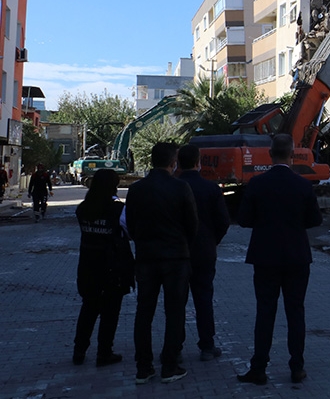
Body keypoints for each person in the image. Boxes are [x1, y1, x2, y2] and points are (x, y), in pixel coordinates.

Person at [237, 134, 322, 386]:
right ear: (292, 154)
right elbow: (315, 220)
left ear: (270, 153)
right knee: (295, 312)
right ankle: (297, 367)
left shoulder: (257, 184)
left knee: (265, 312)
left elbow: (244, 220)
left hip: (265, 257)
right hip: (297, 256)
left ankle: (259, 368)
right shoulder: (303, 185)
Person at [126, 142, 198, 385]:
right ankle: (169, 365)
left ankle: (143, 367)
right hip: (176, 258)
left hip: (146, 258)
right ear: (173, 162)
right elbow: (192, 224)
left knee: (144, 312)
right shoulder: (181, 187)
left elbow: (130, 224)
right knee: (175, 312)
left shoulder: (136, 189)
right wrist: (183, 245)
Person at [73, 169, 134, 367]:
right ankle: (104, 352)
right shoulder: (117, 209)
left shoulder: (83, 208)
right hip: (112, 267)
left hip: (88, 265)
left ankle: (79, 350)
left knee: (88, 308)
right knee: (110, 312)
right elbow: (130, 232)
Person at [176, 144, 230, 362]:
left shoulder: (173, 187)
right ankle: (207, 345)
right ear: (198, 162)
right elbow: (223, 221)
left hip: (178, 252)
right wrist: (212, 241)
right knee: (204, 299)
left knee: (176, 301)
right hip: (204, 252)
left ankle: (175, 347)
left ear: (178, 163)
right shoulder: (211, 188)